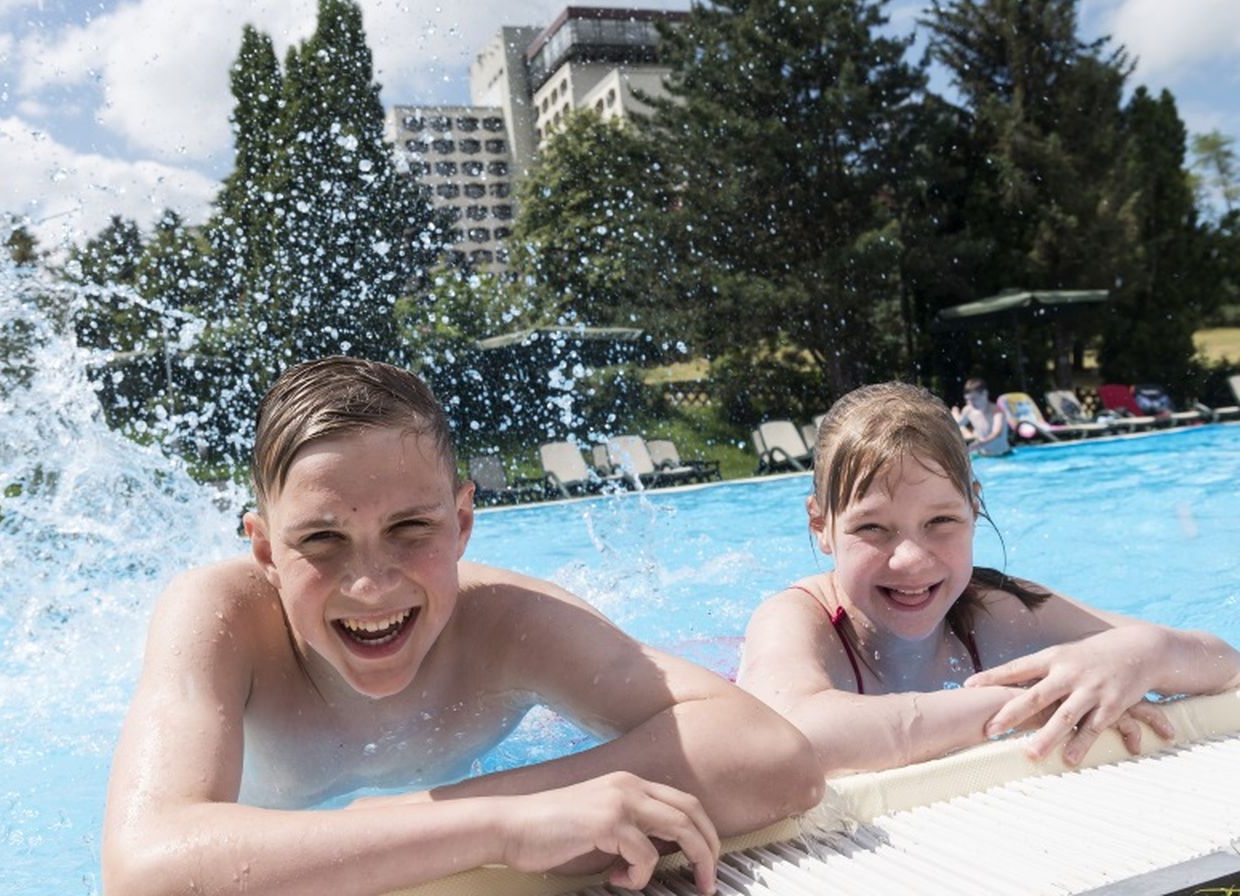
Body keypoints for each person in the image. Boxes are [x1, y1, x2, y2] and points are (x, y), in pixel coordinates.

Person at [102, 357, 820, 896]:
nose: (371, 584)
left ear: (464, 522)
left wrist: (407, 822)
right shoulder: (219, 621)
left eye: (411, 528)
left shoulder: (506, 622)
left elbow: (771, 755)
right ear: (264, 549)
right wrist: (505, 823)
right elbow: (144, 868)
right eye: (321, 541)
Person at [738, 381, 1240, 777]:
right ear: (821, 526)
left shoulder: (991, 610)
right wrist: (1026, 706)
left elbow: (1227, 667)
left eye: (942, 522)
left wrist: (1146, 654)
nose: (911, 559)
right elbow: (790, 739)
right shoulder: (798, 618)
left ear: (974, 507)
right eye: (872, 528)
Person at [951, 376, 1011, 456]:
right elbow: (956, 425)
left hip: (1003, 455)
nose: (970, 403)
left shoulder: (997, 411)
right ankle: (955, 413)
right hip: (983, 455)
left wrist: (980, 444)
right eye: (967, 400)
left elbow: (997, 433)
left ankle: (955, 413)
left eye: (974, 399)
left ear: (984, 394)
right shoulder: (969, 410)